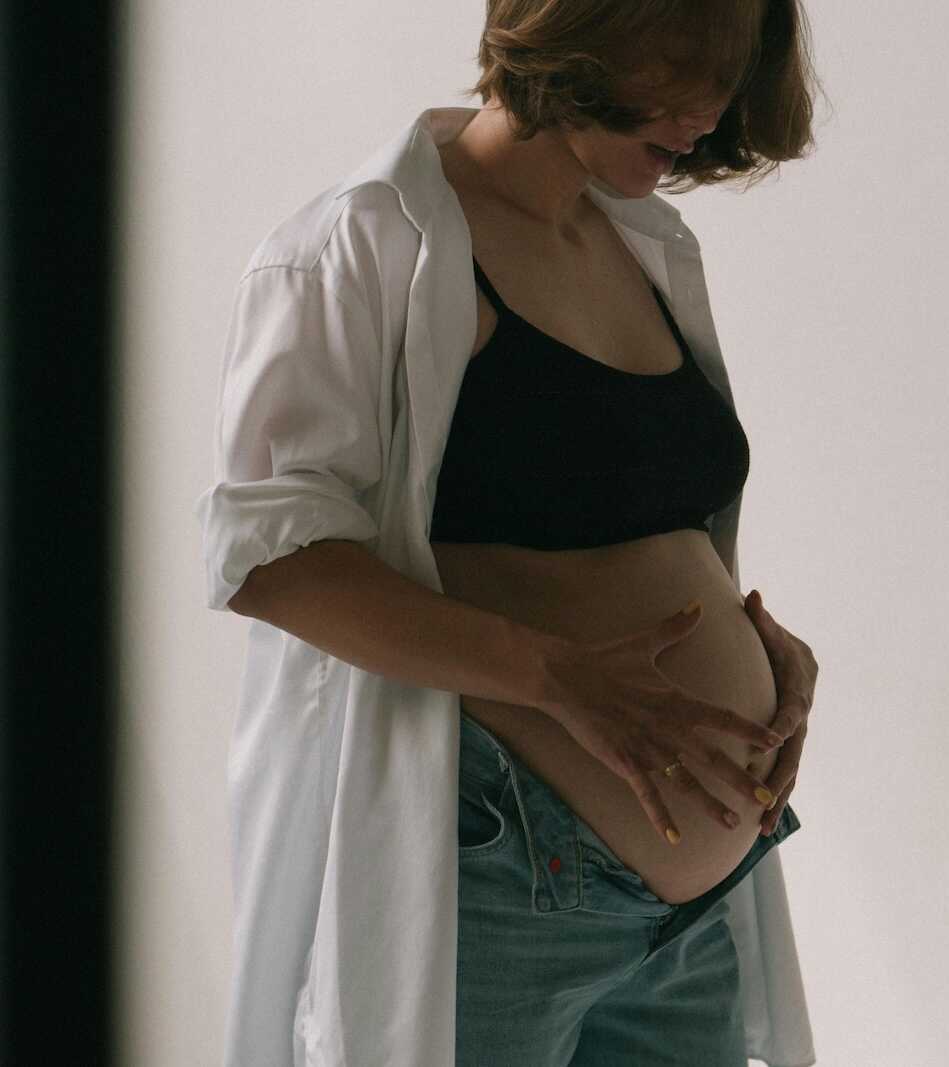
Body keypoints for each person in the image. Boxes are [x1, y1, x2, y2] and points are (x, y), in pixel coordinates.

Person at [193, 2, 824, 1064]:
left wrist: (764, 653)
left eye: (730, 70)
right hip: (500, 882)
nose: (711, 109)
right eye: (686, 61)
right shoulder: (359, 244)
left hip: (689, 919)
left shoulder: (640, 244)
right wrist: (558, 679)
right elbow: (272, 562)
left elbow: (638, 523)